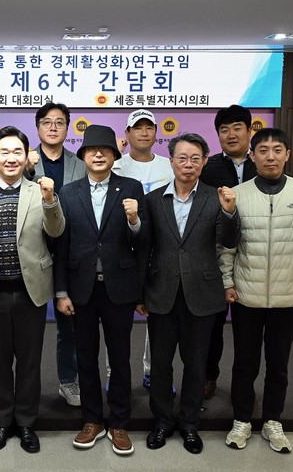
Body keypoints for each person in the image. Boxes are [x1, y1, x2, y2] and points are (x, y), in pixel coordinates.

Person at [221, 128, 293, 453]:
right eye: (263, 150)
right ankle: (242, 420)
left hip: (288, 295)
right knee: (244, 364)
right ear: (252, 156)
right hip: (247, 294)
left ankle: (273, 421)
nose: (270, 156)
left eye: (277, 150)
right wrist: (227, 282)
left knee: (278, 364)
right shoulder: (238, 194)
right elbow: (227, 246)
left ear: (287, 154)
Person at [0, 126, 65, 454]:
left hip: (31, 292)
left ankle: (27, 423)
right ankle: (3, 422)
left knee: (30, 362)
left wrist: (50, 200)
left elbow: (56, 230)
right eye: (4, 152)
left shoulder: (41, 191)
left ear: (26, 156)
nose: (11, 158)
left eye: (17, 151)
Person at [138, 133, 240, 455]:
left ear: (204, 162)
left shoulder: (217, 197)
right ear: (171, 161)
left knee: (196, 364)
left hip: (203, 293)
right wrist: (140, 292)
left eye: (195, 158)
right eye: (182, 158)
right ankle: (162, 422)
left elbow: (230, 241)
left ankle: (190, 423)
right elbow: (144, 248)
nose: (188, 164)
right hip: (162, 292)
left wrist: (229, 212)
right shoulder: (153, 200)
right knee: (161, 364)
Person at [54, 125, 144, 456]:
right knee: (86, 357)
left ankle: (119, 422)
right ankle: (92, 420)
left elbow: (142, 242)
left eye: (105, 150)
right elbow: (61, 246)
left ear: (114, 155)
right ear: (83, 156)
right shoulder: (68, 192)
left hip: (120, 287)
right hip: (81, 289)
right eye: (91, 150)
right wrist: (61, 292)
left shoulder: (131, 188)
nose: (98, 154)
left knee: (120, 357)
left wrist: (134, 220)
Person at [25, 102, 86, 407]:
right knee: (26, 327)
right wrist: (26, 169)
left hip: (70, 250)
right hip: (32, 250)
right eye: (47, 122)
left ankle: (68, 381)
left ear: (67, 128)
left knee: (69, 325)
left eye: (59, 122)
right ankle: (24, 387)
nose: (53, 127)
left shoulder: (80, 163)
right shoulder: (24, 161)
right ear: (37, 127)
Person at [111, 108, 175, 392]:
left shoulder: (167, 166)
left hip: (159, 248)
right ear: (127, 133)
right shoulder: (116, 165)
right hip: (123, 249)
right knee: (117, 322)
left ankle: (152, 372)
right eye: (138, 127)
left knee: (157, 316)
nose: (144, 132)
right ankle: (114, 375)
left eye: (149, 127)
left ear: (156, 133)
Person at [199, 104, 258, 399]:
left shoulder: (262, 165)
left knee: (249, 329)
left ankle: (243, 385)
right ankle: (209, 376)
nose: (231, 135)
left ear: (249, 131)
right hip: (218, 256)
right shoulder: (208, 169)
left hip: (255, 254)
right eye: (224, 130)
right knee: (213, 325)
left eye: (237, 128)